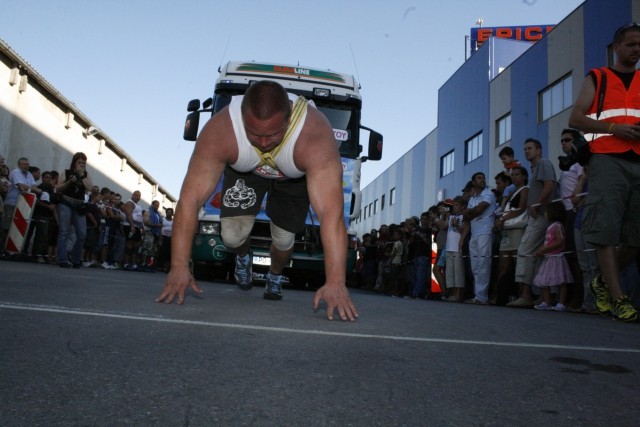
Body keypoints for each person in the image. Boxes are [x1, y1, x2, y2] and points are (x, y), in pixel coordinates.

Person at [156, 80, 357, 321]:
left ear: (289, 118)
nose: (263, 142)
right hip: (246, 172)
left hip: (292, 179)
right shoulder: (221, 131)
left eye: (273, 134)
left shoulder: (314, 136)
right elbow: (190, 200)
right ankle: (244, 256)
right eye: (254, 133)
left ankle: (274, 275)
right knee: (231, 236)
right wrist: (179, 266)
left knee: (283, 242)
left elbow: (330, 216)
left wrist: (335, 282)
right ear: (241, 118)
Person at [568, 22, 640, 322]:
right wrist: (614, 128)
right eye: (631, 44)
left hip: (638, 160)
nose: (636, 50)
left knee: (636, 238)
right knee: (606, 233)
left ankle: (601, 281)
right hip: (607, 160)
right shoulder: (599, 77)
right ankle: (618, 296)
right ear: (617, 48)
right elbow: (576, 118)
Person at [507, 138, 558, 308]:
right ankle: (542, 296)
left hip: (541, 215)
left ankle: (526, 295)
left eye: (530, 148)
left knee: (525, 251)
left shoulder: (543, 163)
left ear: (539, 150)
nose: (527, 151)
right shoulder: (535, 167)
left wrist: (536, 204)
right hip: (538, 215)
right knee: (537, 255)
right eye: (525, 148)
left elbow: (549, 186)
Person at [493, 166, 529, 305]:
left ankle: (521, 296)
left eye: (517, 174)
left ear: (524, 176)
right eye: (512, 175)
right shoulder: (511, 192)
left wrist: (502, 219)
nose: (514, 177)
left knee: (518, 264)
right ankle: (500, 296)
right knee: (503, 266)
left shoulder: (525, 189)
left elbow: (521, 209)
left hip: (517, 230)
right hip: (506, 231)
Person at [557, 128, 584, 309]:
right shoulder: (568, 164)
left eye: (567, 140)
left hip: (576, 210)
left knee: (577, 258)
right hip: (566, 213)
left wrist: (577, 204)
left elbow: (583, 182)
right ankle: (571, 297)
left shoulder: (579, 162)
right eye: (562, 141)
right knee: (569, 257)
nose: (564, 143)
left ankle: (579, 298)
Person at [461, 172, 495, 304]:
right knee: (475, 266)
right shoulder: (472, 199)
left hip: (485, 232)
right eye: (479, 178)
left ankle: (482, 297)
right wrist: (471, 212)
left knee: (484, 264)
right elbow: (466, 217)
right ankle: (478, 295)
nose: (483, 180)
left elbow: (479, 210)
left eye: (483, 178)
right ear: (473, 182)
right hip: (474, 233)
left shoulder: (489, 194)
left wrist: (471, 212)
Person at [532, 201, 573, 312]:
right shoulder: (550, 226)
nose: (545, 214)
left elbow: (560, 241)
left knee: (561, 282)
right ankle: (547, 301)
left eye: (546, 211)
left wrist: (544, 249)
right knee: (544, 281)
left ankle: (561, 303)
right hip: (548, 258)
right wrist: (541, 250)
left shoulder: (557, 226)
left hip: (556, 257)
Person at [55, 152, 93, 268]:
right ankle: (62, 259)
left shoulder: (86, 175)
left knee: (82, 234)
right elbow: (58, 188)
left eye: (83, 163)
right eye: (79, 162)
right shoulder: (66, 173)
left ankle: (76, 259)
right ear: (74, 163)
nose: (81, 164)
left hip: (79, 205)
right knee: (64, 231)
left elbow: (90, 188)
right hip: (65, 203)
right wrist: (70, 181)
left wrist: (81, 175)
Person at [3, 157, 42, 252]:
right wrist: (33, 189)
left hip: (24, 205)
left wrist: (31, 189)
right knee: (7, 227)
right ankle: (2, 249)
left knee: (18, 228)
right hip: (12, 203)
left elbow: (34, 186)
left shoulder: (29, 174)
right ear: (19, 165)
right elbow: (21, 186)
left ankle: (12, 251)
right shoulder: (16, 172)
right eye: (24, 164)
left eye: (27, 164)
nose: (26, 166)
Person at [444, 196, 465, 302]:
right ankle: (452, 293)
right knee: (450, 272)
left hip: (457, 248)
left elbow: (463, 231)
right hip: (449, 247)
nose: (454, 207)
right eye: (454, 205)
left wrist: (456, 225)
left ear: (462, 206)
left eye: (457, 205)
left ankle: (458, 294)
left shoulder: (463, 217)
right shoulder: (450, 217)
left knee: (458, 271)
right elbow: (443, 226)